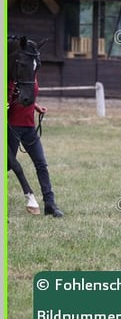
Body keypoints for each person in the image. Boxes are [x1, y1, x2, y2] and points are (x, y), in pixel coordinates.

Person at [8, 78, 64, 217]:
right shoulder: (11, 75)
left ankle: (50, 204)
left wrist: (35, 106)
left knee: (41, 164)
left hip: (29, 127)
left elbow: (27, 95)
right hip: (12, 126)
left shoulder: (32, 74)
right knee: (8, 166)